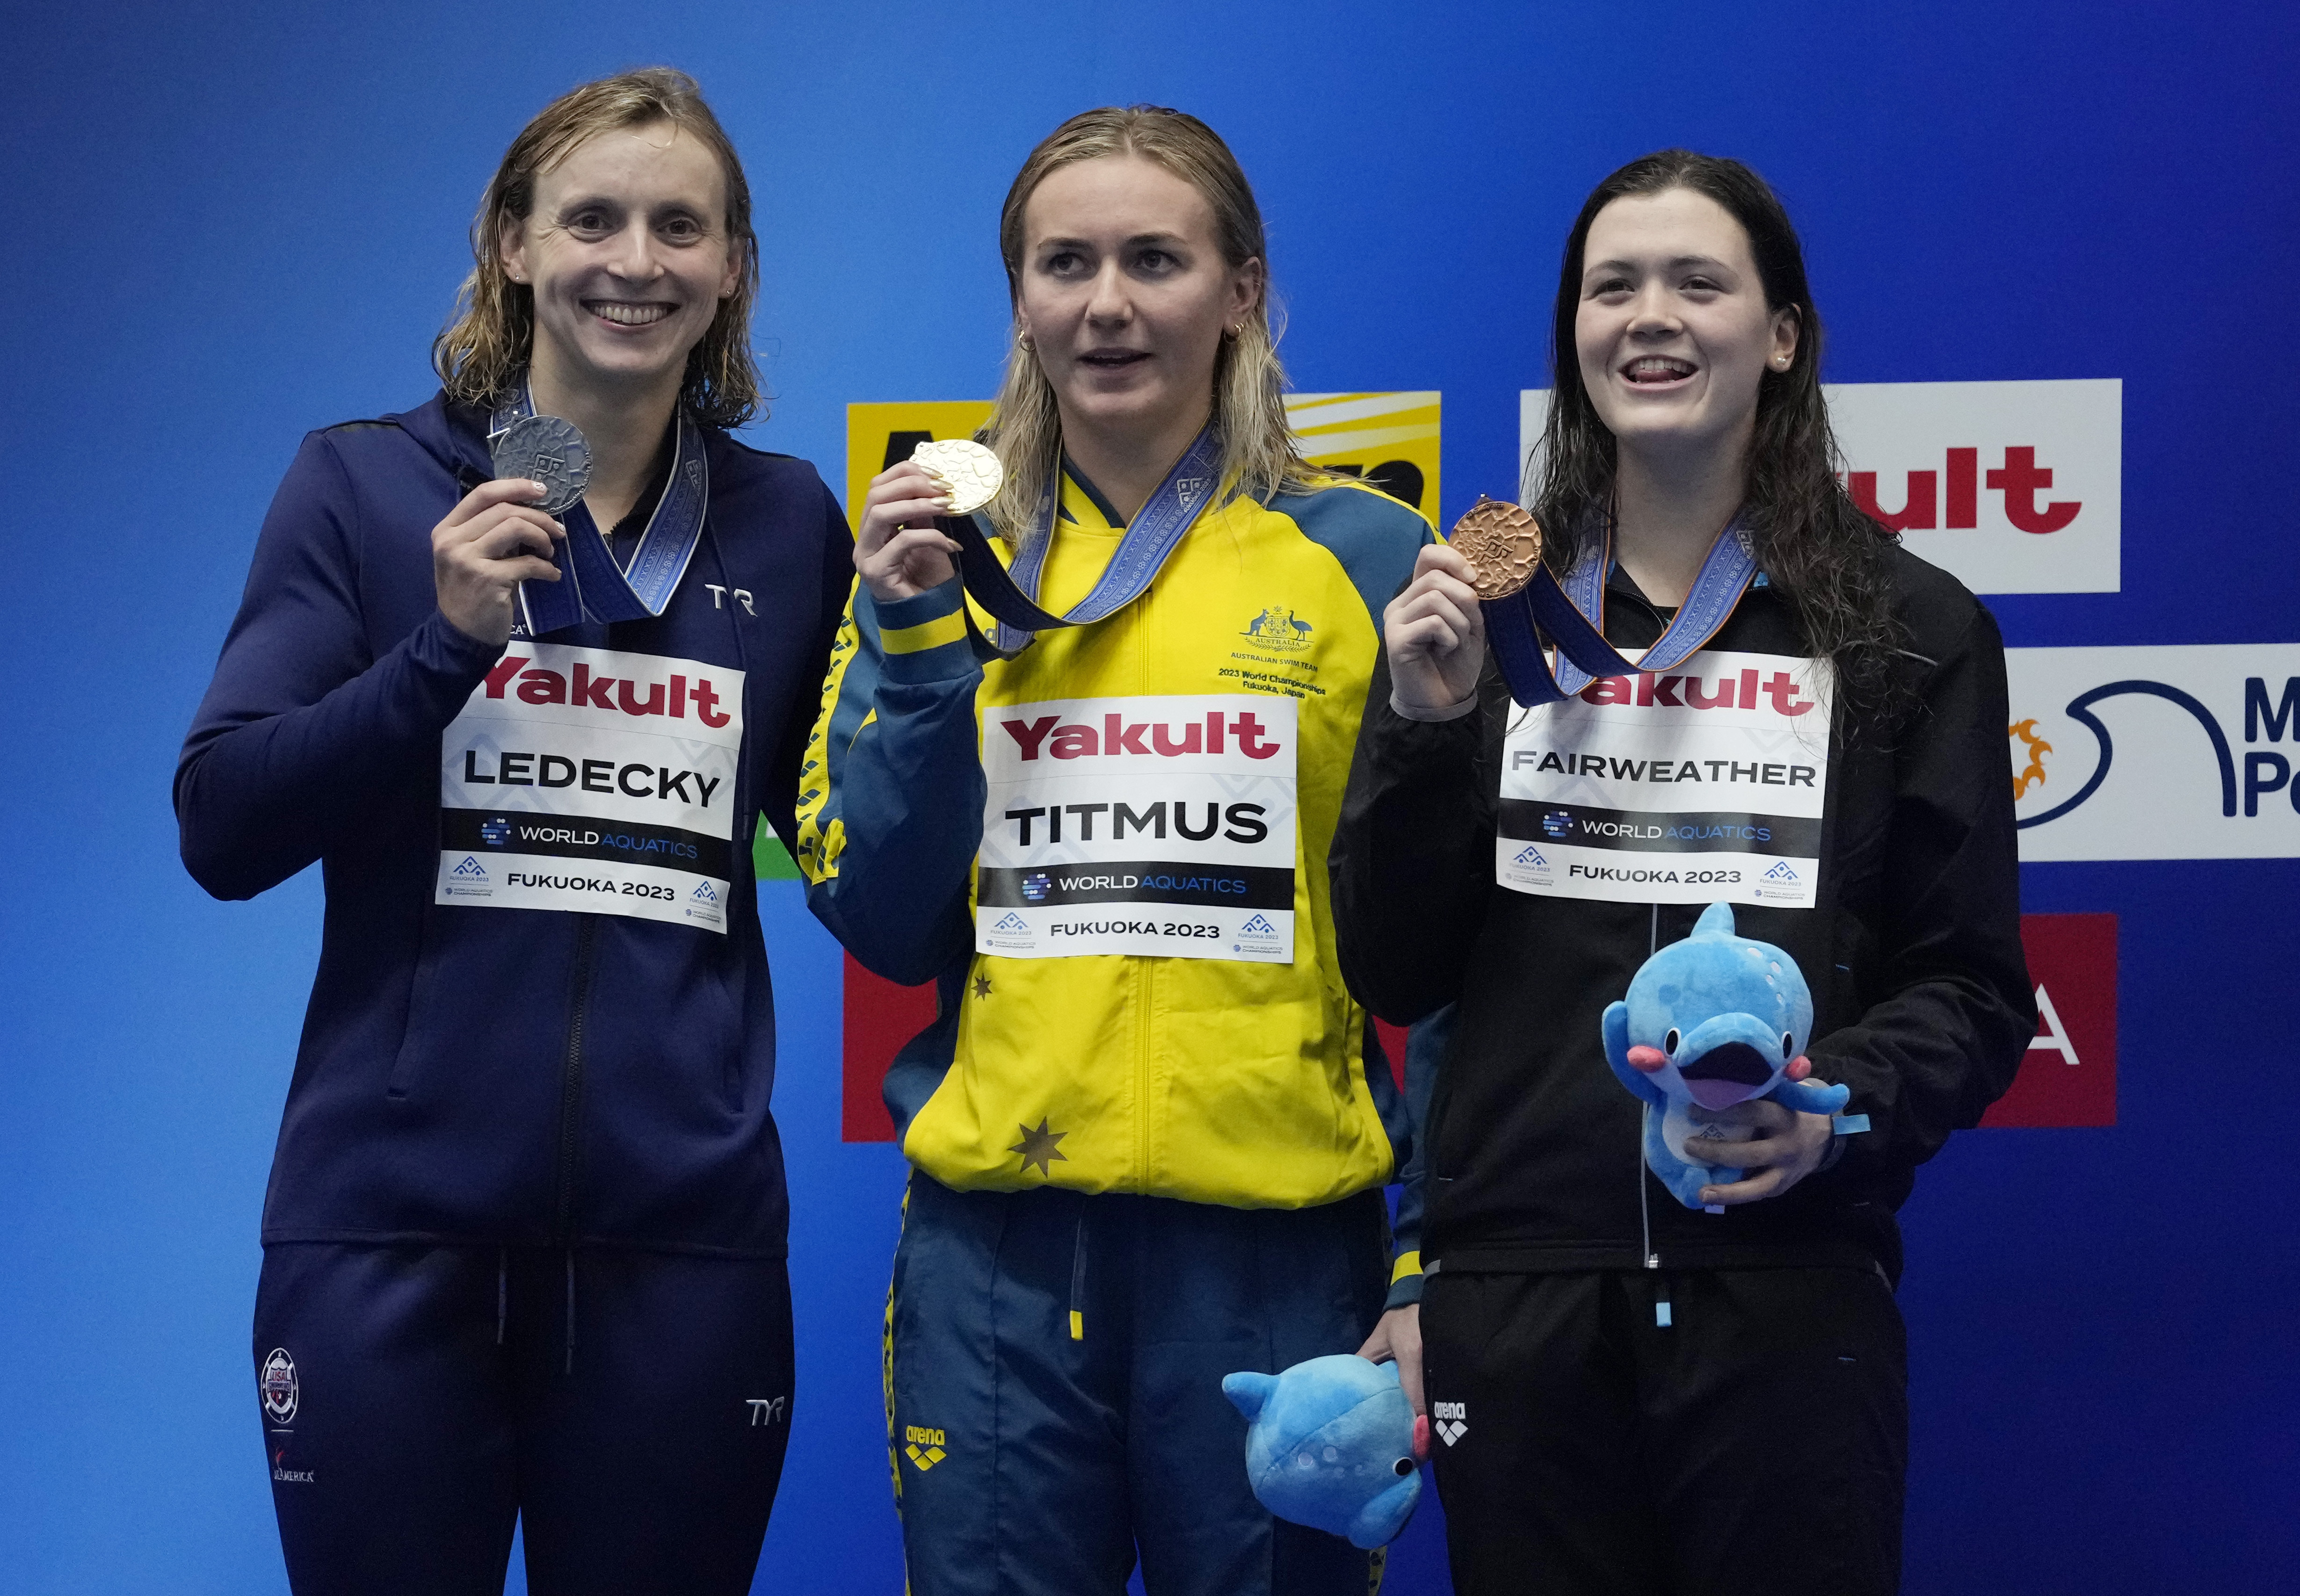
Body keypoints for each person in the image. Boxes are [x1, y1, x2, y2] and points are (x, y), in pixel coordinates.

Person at [175, 69, 849, 1596]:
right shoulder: (360, 486)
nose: (636, 261)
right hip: (386, 1243)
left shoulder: (793, 521)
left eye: (682, 227)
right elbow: (223, 825)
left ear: (732, 267)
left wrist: (938, 673)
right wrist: (442, 649)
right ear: (513, 245)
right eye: (593, 218)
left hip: (685, 1250)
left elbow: (848, 853)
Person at [1330, 150, 2035, 1596]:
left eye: (1698, 283)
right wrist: (1423, 722)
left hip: (1786, 1288)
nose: (1650, 317)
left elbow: (1970, 986)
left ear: (1782, 335)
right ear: (1573, 336)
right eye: (1613, 287)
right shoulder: (1487, 618)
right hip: (1518, 1297)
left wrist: (1833, 1119)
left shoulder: (1909, 629)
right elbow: (1395, 969)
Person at [796, 105, 1432, 1596]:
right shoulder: (932, 559)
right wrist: (909, 646)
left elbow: (1459, 939)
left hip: (1279, 1257)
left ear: (1244, 290)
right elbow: (884, 921)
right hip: (1000, 1266)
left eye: (1157, 258)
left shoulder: (1366, 558)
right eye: (1065, 263)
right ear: (1019, 300)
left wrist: (1428, 1259)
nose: (1109, 304)